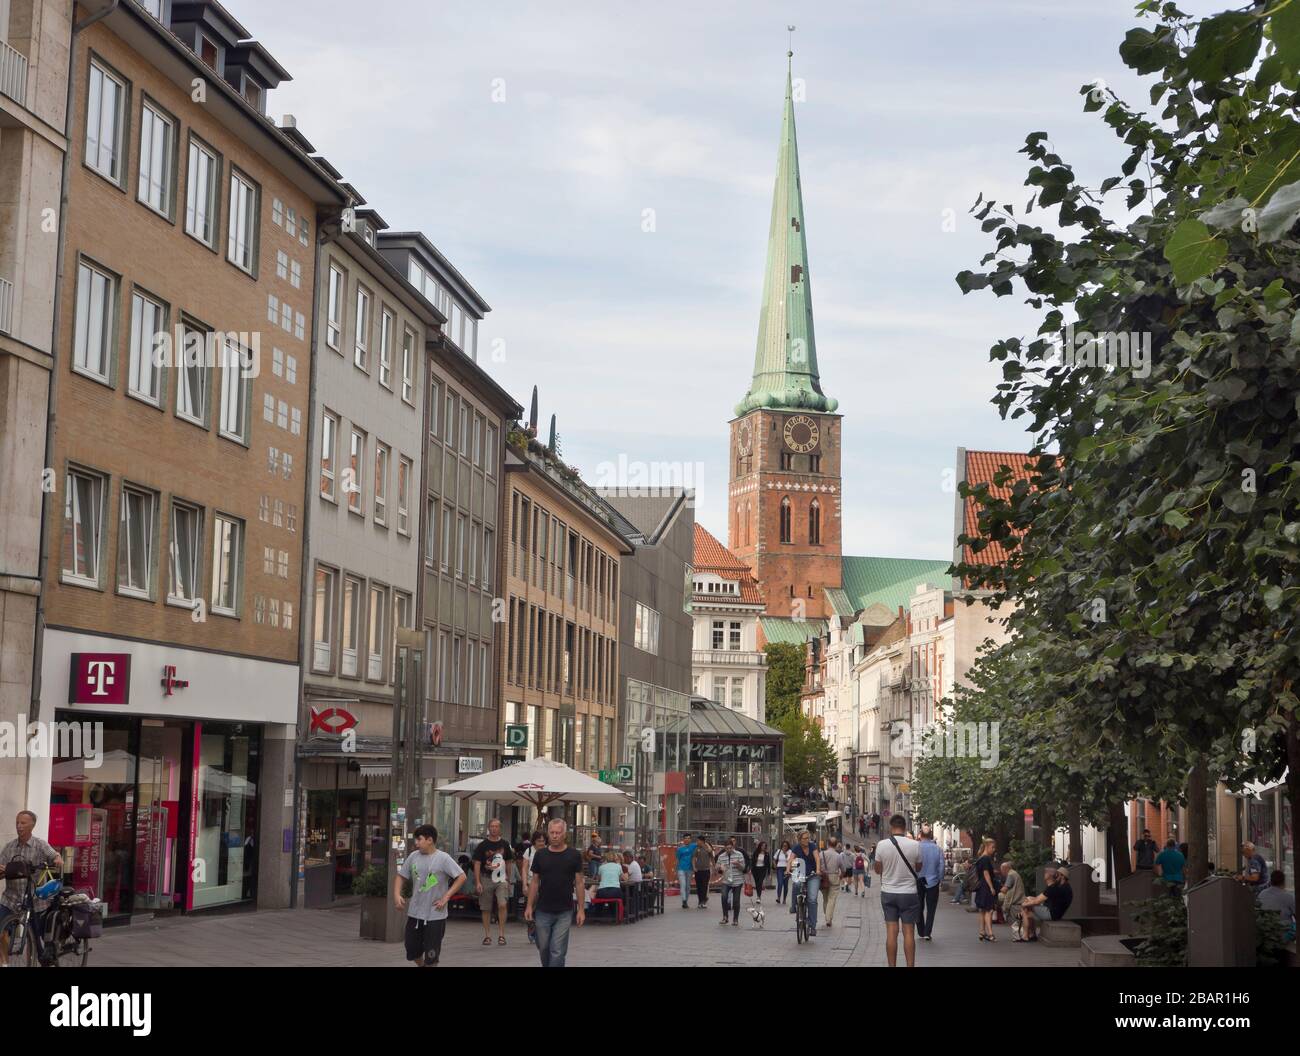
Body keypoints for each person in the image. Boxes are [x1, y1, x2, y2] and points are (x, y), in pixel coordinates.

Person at [394, 825, 466, 967]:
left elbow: (461, 877)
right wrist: (397, 895)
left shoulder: (443, 858)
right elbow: (400, 876)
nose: (416, 843)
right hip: (415, 913)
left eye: (419, 839)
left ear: (430, 840)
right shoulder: (413, 856)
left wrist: (446, 897)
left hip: (435, 915)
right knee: (412, 951)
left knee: (431, 956)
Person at [0, 810, 63, 967]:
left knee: (34, 938)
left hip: (35, 900)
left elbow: (54, 855)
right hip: (11, 899)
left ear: (32, 825)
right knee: (1, 931)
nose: (19, 826)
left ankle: (32, 962)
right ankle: (5, 964)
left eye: (23, 823)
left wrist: (57, 859)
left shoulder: (39, 845)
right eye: (17, 822)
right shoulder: (9, 847)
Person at [524, 817, 586, 967]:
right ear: (548, 834)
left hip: (564, 910)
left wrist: (581, 910)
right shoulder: (540, 855)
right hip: (543, 909)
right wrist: (529, 906)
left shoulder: (574, 855)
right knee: (544, 947)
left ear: (564, 834)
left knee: (557, 950)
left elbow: (579, 883)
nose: (555, 835)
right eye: (552, 832)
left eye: (558, 832)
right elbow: (534, 881)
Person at [874, 814, 922, 967]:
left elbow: (877, 869)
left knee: (891, 933)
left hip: (888, 892)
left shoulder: (881, 845)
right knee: (909, 932)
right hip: (909, 893)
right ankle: (910, 965)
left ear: (891, 827)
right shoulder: (915, 845)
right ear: (905, 827)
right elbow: (919, 867)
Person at [472, 817, 514, 947]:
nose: (494, 829)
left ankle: (501, 934)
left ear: (500, 829)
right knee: (486, 907)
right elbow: (477, 864)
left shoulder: (505, 844)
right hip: (486, 877)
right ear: (489, 828)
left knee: (502, 904)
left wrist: (508, 877)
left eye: (497, 826)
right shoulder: (482, 845)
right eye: (492, 826)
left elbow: (508, 862)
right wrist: (478, 881)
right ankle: (487, 935)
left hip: (501, 878)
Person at [1018, 866, 1073, 942]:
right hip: (1055, 913)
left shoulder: (1055, 888)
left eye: (1057, 875)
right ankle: (1031, 935)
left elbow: (1037, 901)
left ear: (1062, 876)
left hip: (1051, 914)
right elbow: (1039, 899)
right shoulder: (1065, 887)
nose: (1056, 876)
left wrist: (1023, 904)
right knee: (1028, 908)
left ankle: (1026, 936)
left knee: (1025, 910)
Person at [788, 829, 822, 938]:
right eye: (805, 838)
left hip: (813, 875)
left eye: (808, 838)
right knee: (796, 884)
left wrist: (817, 870)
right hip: (800, 874)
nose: (807, 840)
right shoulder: (797, 848)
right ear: (799, 839)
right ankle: (794, 906)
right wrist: (787, 869)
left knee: (812, 899)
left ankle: (812, 926)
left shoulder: (812, 846)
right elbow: (790, 860)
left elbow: (817, 859)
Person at [916, 829, 943, 942]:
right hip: (932, 881)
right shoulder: (938, 849)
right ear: (931, 836)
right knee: (931, 908)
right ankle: (927, 932)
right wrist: (939, 879)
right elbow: (941, 866)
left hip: (918, 880)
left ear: (920, 835)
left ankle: (921, 931)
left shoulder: (916, 847)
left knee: (918, 906)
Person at [715, 837, 747, 926]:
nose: (729, 850)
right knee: (724, 897)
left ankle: (735, 919)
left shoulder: (739, 854)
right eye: (727, 848)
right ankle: (725, 917)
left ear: (733, 847)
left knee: (736, 901)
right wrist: (719, 867)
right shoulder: (721, 856)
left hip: (737, 881)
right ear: (724, 848)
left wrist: (738, 864)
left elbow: (743, 868)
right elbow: (716, 867)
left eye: (730, 848)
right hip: (726, 880)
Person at [1257, 871, 1296, 941]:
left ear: (1271, 881)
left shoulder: (1262, 893)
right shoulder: (1288, 896)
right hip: (1281, 934)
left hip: (1264, 932)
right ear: (1284, 882)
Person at [972, 838, 998, 942]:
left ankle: (982, 932)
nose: (994, 849)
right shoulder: (986, 859)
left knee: (982, 910)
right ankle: (990, 933)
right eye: (993, 847)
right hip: (986, 887)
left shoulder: (980, 858)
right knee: (989, 910)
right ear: (987, 846)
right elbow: (986, 873)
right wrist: (991, 887)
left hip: (980, 887)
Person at [820, 836, 843, 928]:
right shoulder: (838, 855)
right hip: (834, 877)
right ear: (836, 845)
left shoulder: (821, 854)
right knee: (832, 899)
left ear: (827, 844)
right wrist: (841, 876)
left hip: (823, 878)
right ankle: (828, 918)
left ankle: (827, 916)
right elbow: (843, 868)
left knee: (825, 898)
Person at [998, 861, 1025, 937]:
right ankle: (1020, 935)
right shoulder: (1014, 873)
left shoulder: (1011, 875)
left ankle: (1017, 936)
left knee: (1016, 921)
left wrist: (998, 890)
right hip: (1019, 900)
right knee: (1019, 921)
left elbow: (1005, 889)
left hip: (1016, 901)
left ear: (1005, 869)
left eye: (1001, 870)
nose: (1001, 872)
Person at [674, 833, 697, 909]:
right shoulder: (680, 849)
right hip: (681, 869)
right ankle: (684, 900)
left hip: (690, 869)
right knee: (683, 885)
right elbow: (677, 859)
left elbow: (702, 843)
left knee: (687, 886)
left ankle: (685, 901)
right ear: (683, 839)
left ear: (690, 839)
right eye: (685, 838)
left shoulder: (693, 846)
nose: (687, 839)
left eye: (688, 838)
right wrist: (675, 869)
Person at [692, 834, 715, 909]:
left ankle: (704, 901)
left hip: (706, 870)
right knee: (699, 887)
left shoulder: (708, 848)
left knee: (705, 886)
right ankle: (700, 901)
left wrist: (714, 867)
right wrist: (694, 867)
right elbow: (693, 858)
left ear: (702, 841)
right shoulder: (697, 848)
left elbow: (712, 857)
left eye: (698, 841)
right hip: (698, 870)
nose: (697, 842)